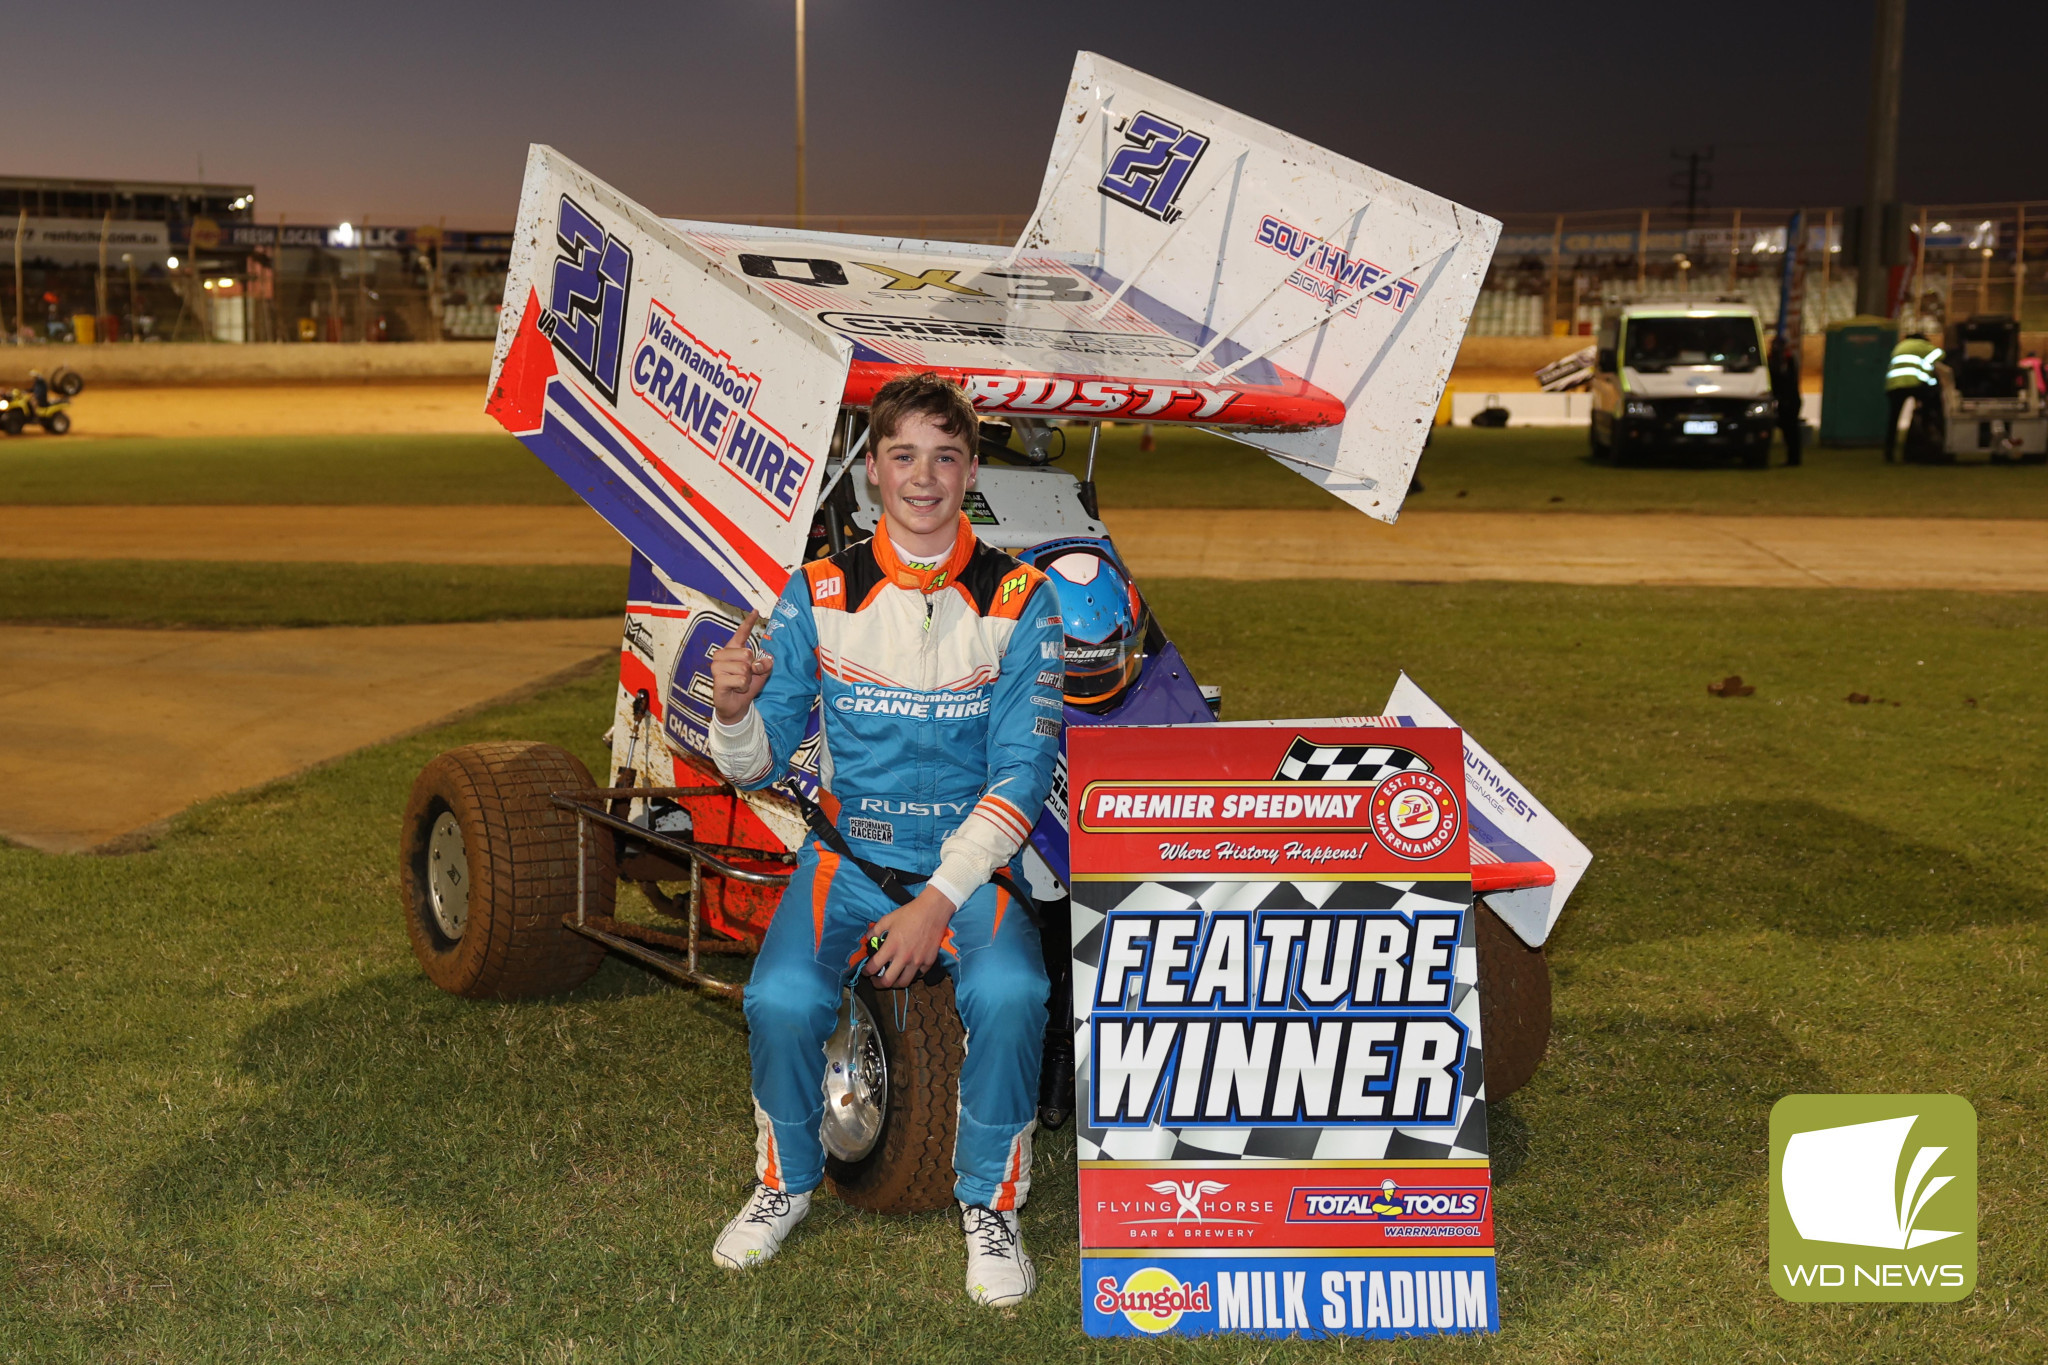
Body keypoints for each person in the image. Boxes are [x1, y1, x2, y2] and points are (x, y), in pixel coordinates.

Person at [704, 372, 1063, 1308]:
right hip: (848, 858)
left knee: (1018, 990)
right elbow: (754, 760)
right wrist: (735, 711)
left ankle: (990, 1203)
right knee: (779, 999)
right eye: (903, 454)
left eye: (946, 456)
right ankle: (784, 1180)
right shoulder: (815, 590)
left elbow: (1022, 778)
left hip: (964, 868)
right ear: (871, 471)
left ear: (972, 469)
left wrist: (936, 900)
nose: (924, 476)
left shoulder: (1024, 598)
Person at [1885, 331, 1941, 464]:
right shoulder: (1922, 345)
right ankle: (1924, 444)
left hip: (1894, 386)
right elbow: (1940, 354)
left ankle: (1889, 453)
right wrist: (1928, 370)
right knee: (1927, 411)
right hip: (1914, 384)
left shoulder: (1900, 346)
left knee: (1893, 420)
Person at [1768, 333, 1803, 466]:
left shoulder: (1788, 360)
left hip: (1789, 400)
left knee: (1791, 430)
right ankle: (1792, 457)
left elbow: (1788, 381)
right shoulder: (1775, 360)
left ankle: (1794, 458)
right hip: (1783, 400)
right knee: (1787, 429)